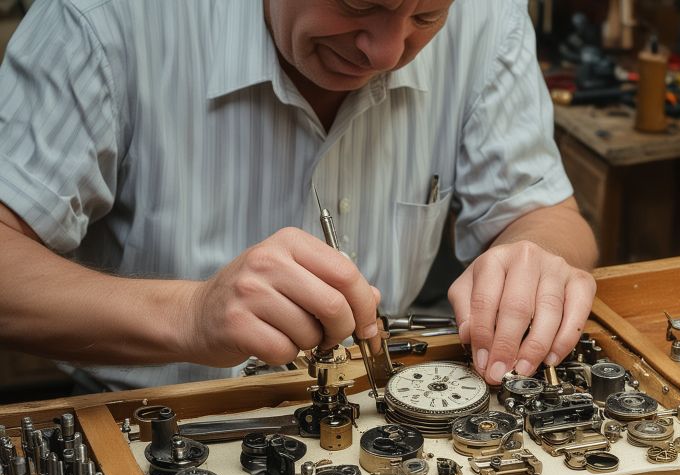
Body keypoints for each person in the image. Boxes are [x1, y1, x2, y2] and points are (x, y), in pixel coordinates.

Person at [0, 0, 598, 392]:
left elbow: (544, 213)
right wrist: (189, 315)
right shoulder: (104, 19)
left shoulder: (486, 18)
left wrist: (536, 258)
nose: (386, 53)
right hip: (149, 421)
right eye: (359, 3)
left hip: (374, 418)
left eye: (426, 16)